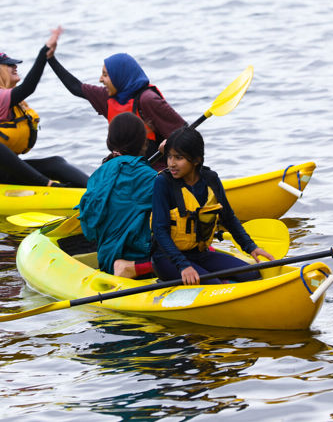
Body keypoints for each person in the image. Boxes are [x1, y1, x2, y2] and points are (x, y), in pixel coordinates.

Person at [0, 28, 89, 188]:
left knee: (55, 163)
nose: (15, 66)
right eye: (8, 65)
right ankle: (48, 185)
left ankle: (96, 189)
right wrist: (44, 54)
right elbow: (28, 87)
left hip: (2, 171)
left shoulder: (5, 97)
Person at [151, 126, 274, 284]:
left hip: (200, 254)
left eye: (178, 158)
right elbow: (159, 231)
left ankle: (218, 279)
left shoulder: (211, 179)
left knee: (251, 275)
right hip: (167, 259)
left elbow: (228, 218)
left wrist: (250, 247)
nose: (171, 163)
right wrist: (183, 266)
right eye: (169, 157)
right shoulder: (163, 182)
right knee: (213, 284)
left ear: (196, 160)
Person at [47, 37, 186, 170]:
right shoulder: (108, 97)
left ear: (120, 76)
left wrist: (167, 147)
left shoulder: (147, 100)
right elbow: (76, 87)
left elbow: (185, 134)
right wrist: (50, 59)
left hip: (157, 172)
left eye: (105, 75)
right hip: (128, 170)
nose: (100, 79)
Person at [78, 112, 158, 277]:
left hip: (105, 258)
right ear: (143, 142)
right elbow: (177, 197)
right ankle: (130, 268)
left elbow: (88, 229)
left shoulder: (99, 173)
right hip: (134, 260)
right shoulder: (144, 175)